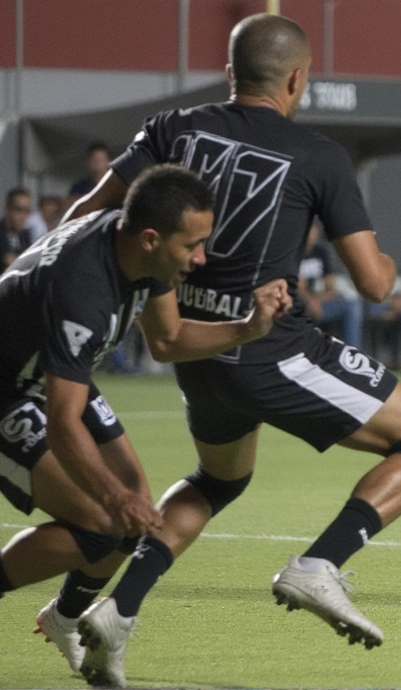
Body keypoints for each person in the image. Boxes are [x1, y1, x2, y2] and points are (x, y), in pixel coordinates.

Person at [62, 14, 401, 684]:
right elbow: (373, 283)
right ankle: (318, 564)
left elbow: (86, 215)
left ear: (229, 70)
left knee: (220, 479)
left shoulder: (170, 129)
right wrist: (387, 261)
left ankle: (117, 610)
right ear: (299, 77)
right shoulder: (320, 156)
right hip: (271, 347)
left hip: (189, 348)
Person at [0, 165, 290, 677]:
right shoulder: (83, 290)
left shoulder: (139, 253)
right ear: (153, 238)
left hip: (46, 372)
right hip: (9, 390)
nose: (200, 259)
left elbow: (169, 339)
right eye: (193, 245)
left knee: (135, 506)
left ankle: (64, 618)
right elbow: (64, 422)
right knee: (103, 522)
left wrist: (249, 328)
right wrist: (113, 498)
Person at [298, 221, 364, 345]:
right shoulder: (293, 252)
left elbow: (330, 286)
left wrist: (318, 300)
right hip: (298, 303)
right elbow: (298, 287)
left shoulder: (321, 252)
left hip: (319, 303)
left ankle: (352, 355)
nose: (310, 235)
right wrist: (310, 301)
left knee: (352, 306)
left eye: (313, 231)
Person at [2, 188, 36, 270]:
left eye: (27, 211)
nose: (23, 217)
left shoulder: (25, 236)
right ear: (8, 209)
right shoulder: (2, 234)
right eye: (19, 210)